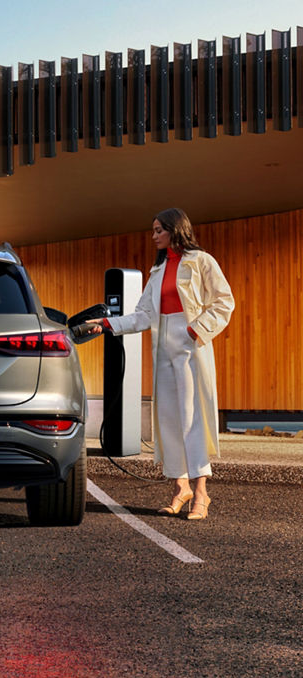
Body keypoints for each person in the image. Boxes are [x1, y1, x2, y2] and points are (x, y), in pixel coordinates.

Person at [87, 208, 234, 520]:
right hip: (163, 349)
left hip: (191, 347)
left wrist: (195, 330)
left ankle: (202, 493)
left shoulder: (201, 261)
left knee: (192, 418)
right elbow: (143, 315)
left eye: (158, 230)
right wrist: (107, 324)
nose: (153, 236)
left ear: (174, 230)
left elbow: (224, 302)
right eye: (153, 230)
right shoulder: (158, 270)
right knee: (167, 419)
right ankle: (181, 487)